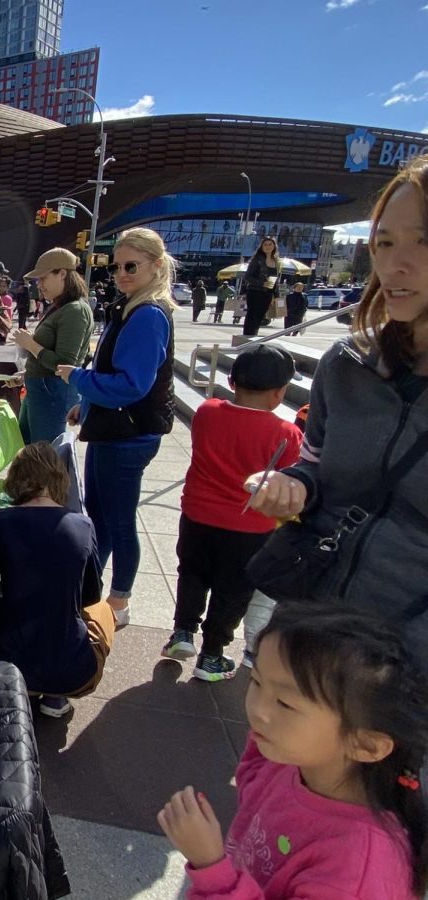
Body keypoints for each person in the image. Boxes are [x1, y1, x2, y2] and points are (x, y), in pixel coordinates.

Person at [246, 157, 428, 649]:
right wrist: (292, 485)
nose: (396, 264)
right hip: (311, 635)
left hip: (401, 686)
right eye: (385, 243)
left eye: (423, 240)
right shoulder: (346, 364)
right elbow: (316, 466)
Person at [158, 605, 428, 900]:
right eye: (257, 682)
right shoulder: (290, 762)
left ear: (366, 745)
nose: (257, 710)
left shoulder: (357, 870)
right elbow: (252, 779)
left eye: (285, 703)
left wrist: (212, 868)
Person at [161, 346, 303, 681]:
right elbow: (289, 479)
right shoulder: (287, 434)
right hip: (250, 527)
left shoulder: (207, 413)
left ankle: (182, 632)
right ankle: (212, 654)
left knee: (192, 573)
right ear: (280, 392)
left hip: (197, 516)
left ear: (230, 380)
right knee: (233, 590)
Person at [59, 227, 176, 629]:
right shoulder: (134, 307)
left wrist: (78, 380)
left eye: (131, 265)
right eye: (116, 266)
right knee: (102, 517)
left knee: (119, 522)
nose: (121, 273)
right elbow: (117, 375)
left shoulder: (147, 315)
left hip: (127, 437)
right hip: (116, 432)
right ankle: (93, 591)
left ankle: (118, 601)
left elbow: (130, 385)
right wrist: (86, 404)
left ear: (156, 266)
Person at [0, 443, 112, 718]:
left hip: (8, 661)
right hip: (74, 669)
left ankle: (18, 691)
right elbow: (91, 596)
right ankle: (55, 698)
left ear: (16, 479)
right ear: (59, 479)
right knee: (103, 610)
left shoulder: (0, 522)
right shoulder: (83, 525)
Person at [8, 248, 94, 446]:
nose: (39, 285)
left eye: (43, 278)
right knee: (31, 451)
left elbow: (65, 364)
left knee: (43, 456)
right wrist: (28, 373)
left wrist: (30, 344)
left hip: (52, 393)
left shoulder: (75, 310)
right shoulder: (63, 307)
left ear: (62, 274)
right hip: (41, 388)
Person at [242, 237, 280, 336]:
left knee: (261, 316)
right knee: (252, 316)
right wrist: (262, 283)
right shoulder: (257, 259)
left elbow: (276, 279)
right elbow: (247, 277)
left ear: (274, 246)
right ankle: (247, 336)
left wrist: (276, 295)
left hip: (267, 293)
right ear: (262, 247)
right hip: (255, 291)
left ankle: (253, 335)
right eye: (265, 245)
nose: (267, 247)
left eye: (270, 244)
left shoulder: (275, 261)